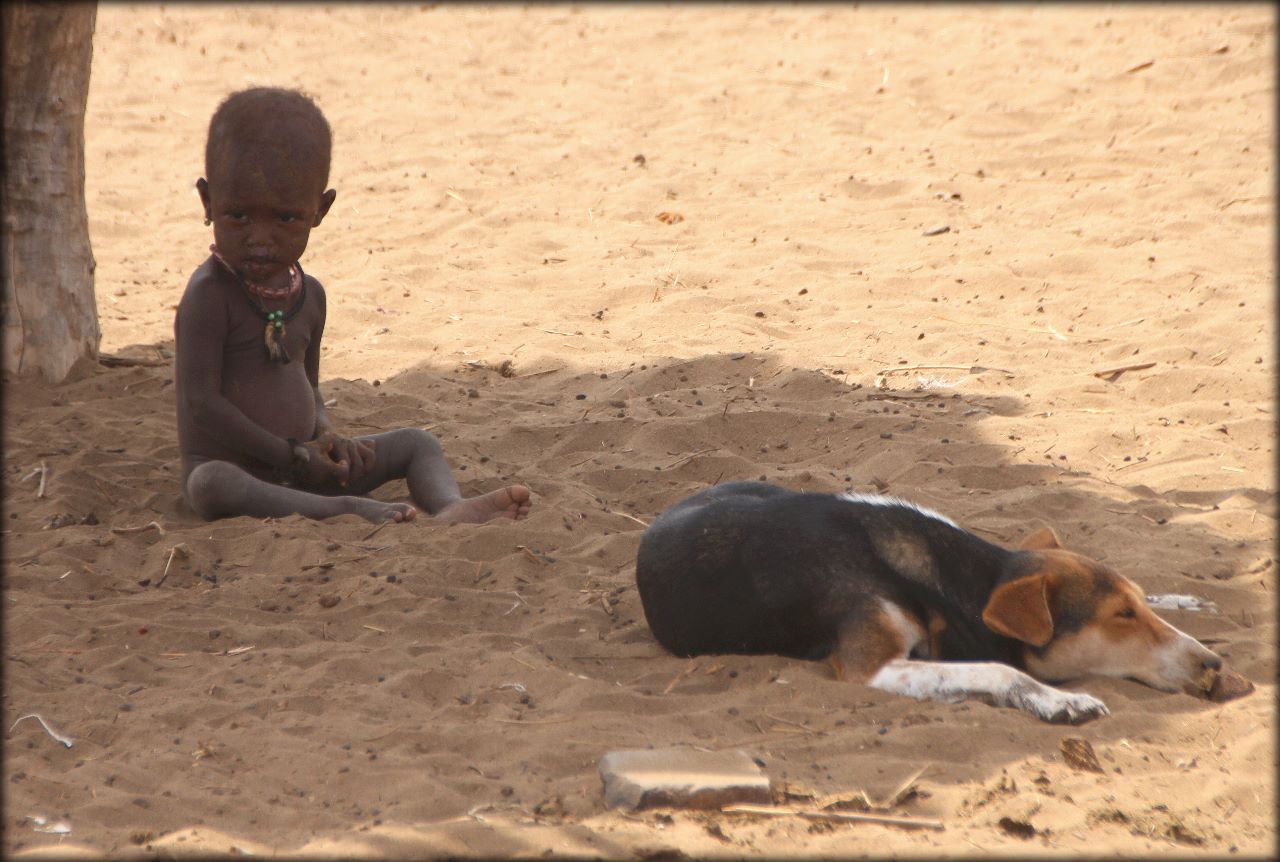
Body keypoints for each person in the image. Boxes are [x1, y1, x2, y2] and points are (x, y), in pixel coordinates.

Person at [175, 87, 531, 525]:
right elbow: (201, 405)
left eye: (285, 218)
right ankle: (344, 508)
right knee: (211, 483)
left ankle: (449, 505)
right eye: (239, 216)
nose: (260, 236)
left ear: (320, 210)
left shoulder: (310, 296)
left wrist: (327, 436)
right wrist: (290, 454)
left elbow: (309, 387)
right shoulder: (208, 296)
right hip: (245, 471)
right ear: (208, 202)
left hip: (310, 465)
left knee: (418, 443)